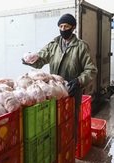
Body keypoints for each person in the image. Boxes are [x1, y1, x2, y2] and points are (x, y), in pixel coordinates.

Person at [22, 13, 98, 143]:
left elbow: (91, 70)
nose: (63, 29)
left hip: (72, 90)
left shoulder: (81, 46)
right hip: (54, 90)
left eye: (66, 26)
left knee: (70, 120)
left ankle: (70, 148)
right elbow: (40, 59)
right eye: (61, 26)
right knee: (53, 120)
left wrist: (79, 81)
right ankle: (56, 149)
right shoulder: (54, 44)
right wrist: (29, 59)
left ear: (73, 27)